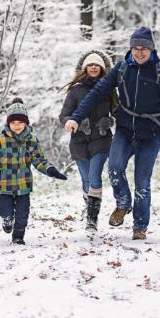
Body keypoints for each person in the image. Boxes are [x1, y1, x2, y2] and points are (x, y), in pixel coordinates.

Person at [64, 27, 160, 240]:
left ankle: (139, 226)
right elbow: (96, 93)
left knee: (142, 181)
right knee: (115, 167)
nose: (139, 53)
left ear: (151, 49)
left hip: (151, 132)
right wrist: (75, 116)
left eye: (144, 49)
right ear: (130, 48)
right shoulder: (121, 69)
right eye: (136, 48)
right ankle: (123, 203)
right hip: (125, 130)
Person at [0, 98, 67, 245]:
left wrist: (50, 170)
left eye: (20, 122)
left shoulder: (31, 140)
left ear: (26, 122)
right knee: (5, 211)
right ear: (8, 123)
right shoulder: (0, 140)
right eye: (13, 122)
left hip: (23, 184)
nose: (17, 126)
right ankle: (7, 219)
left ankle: (18, 236)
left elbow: (38, 160)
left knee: (23, 214)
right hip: (4, 185)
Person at [58, 50, 115, 232]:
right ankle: (91, 203)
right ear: (85, 69)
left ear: (101, 69)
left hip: (101, 137)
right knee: (85, 179)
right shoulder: (75, 91)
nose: (93, 67)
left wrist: (109, 121)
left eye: (96, 65)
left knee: (94, 175)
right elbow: (64, 115)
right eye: (90, 65)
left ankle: (92, 218)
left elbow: (118, 112)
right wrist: (72, 122)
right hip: (79, 140)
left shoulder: (109, 89)